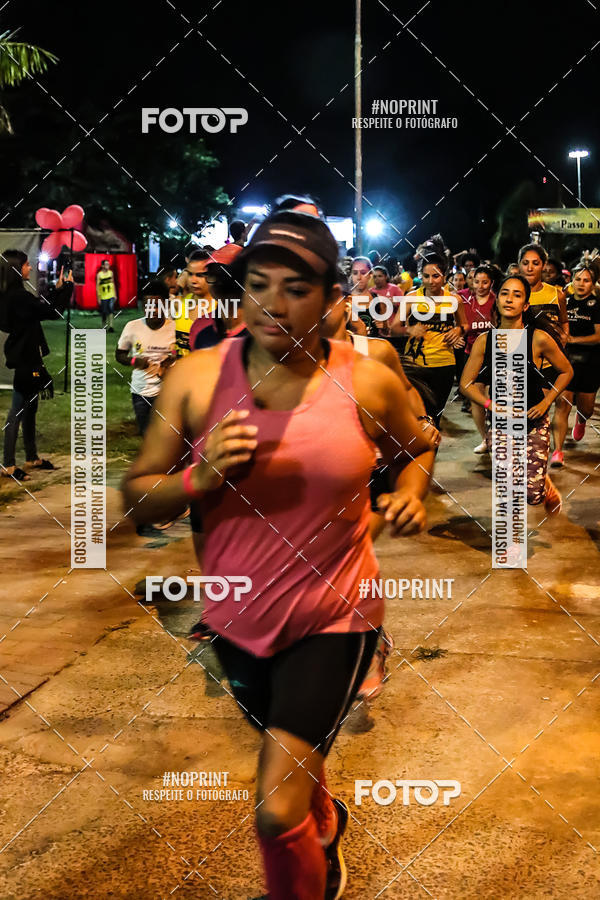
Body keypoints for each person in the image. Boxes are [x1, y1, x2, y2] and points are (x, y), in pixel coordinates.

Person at [122, 210, 435, 900]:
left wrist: (410, 492)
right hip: (235, 619)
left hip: (336, 616)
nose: (273, 303)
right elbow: (139, 498)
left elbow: (417, 446)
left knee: (274, 808)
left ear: (332, 300)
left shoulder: (370, 380)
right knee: (292, 756)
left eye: (296, 287)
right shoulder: (195, 381)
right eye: (258, 284)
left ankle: (308, 873)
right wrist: (196, 480)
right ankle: (323, 819)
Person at [460, 275, 572, 515]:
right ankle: (510, 546)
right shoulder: (484, 341)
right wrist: (491, 405)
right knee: (507, 488)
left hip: (533, 423)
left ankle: (543, 485)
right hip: (500, 425)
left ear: (525, 305)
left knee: (532, 495)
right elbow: (466, 384)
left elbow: (566, 371)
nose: (509, 299)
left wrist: (546, 402)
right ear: (497, 300)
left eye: (517, 295)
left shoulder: (538, 338)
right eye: (504, 293)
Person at [1, 251, 72, 481]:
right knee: (18, 411)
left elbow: (40, 307)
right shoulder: (18, 297)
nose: (30, 268)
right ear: (16, 268)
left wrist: (57, 289)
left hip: (28, 356)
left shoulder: (12, 295)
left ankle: (31, 457)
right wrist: (66, 289)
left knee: (30, 408)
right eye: (26, 265)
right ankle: (8, 465)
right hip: (25, 360)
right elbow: (50, 311)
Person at [394, 251, 468, 428]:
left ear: (444, 275)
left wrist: (458, 330)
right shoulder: (411, 298)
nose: (430, 281)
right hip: (416, 365)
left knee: (436, 416)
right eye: (426, 276)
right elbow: (394, 328)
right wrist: (409, 329)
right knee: (419, 415)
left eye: (436, 276)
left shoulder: (454, 299)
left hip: (444, 365)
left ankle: (430, 453)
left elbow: (465, 325)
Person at [550, 262, 600, 466]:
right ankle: (558, 452)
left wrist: (572, 340)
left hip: (591, 362)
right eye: (577, 279)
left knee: (586, 407)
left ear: (593, 283)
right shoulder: (564, 301)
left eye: (586, 280)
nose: (581, 283)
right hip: (566, 362)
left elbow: (598, 336)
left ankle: (581, 419)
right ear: (571, 280)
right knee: (562, 404)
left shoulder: (597, 305)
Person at [115, 280, 176, 436]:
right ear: (143, 306)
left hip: (167, 391)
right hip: (140, 391)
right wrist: (135, 361)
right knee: (145, 433)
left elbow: (182, 355)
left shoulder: (174, 328)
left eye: (158, 306)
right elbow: (119, 355)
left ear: (166, 305)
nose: (153, 310)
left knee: (165, 434)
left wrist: (170, 363)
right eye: (149, 306)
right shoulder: (132, 327)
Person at [458, 265, 496, 451]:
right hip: (472, 355)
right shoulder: (464, 302)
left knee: (498, 398)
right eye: (477, 281)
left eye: (485, 282)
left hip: (496, 356)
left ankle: (499, 434)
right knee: (476, 398)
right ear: (471, 282)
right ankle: (485, 439)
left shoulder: (498, 302)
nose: (480, 286)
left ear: (492, 283)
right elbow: (458, 326)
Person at [172, 249, 215, 358]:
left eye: (200, 275)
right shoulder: (179, 304)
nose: (193, 280)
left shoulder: (220, 308)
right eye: (190, 274)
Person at [96, 258, 117, 332]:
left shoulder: (111, 273)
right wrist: (98, 297)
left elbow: (113, 283)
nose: (108, 265)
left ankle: (111, 326)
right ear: (102, 266)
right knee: (104, 312)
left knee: (111, 310)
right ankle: (104, 326)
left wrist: (115, 294)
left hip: (111, 294)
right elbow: (97, 286)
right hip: (103, 296)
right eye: (106, 264)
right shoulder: (99, 274)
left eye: (108, 264)